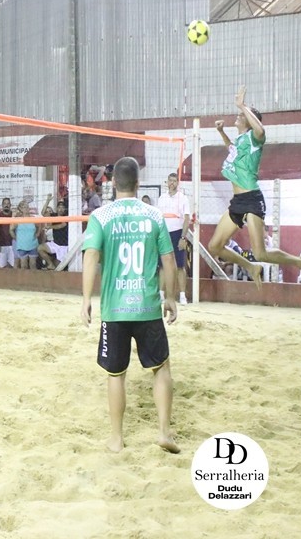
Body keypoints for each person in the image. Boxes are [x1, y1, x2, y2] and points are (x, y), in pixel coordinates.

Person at [81, 156, 180, 454]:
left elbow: (90, 256)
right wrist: (170, 297)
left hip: (114, 309)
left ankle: (116, 438)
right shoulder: (154, 215)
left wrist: (86, 299)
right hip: (147, 306)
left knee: (116, 375)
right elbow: (169, 260)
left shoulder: (100, 216)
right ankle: (164, 432)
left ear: (113, 183)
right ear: (138, 184)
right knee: (161, 368)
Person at [208, 85, 301, 287]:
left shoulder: (255, 138)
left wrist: (243, 105)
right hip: (238, 201)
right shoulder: (241, 140)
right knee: (215, 246)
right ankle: (250, 267)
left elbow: (261, 130)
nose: (238, 116)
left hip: (251, 199)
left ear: (249, 121)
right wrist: (221, 132)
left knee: (260, 253)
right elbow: (232, 149)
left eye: (241, 115)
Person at [156, 173, 191, 305]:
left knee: (180, 265)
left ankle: (182, 296)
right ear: (167, 182)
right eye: (170, 180)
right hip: (164, 233)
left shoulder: (183, 198)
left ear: (178, 183)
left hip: (177, 233)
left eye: (174, 181)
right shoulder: (162, 198)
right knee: (162, 265)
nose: (172, 183)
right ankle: (161, 294)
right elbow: (158, 218)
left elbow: (186, 219)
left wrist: (183, 237)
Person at [39, 199, 69, 270]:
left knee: (58, 268)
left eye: (62, 208)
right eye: (59, 207)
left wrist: (50, 227)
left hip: (63, 246)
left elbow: (61, 225)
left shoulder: (66, 216)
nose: (61, 209)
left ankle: (53, 265)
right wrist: (47, 201)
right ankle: (50, 264)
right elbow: (43, 213)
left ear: (65, 209)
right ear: (57, 208)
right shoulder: (54, 215)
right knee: (40, 248)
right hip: (55, 243)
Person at [10, 200, 39, 269]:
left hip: (32, 244)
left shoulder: (33, 218)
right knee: (23, 266)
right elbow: (11, 230)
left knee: (33, 265)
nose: (26, 208)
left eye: (27, 207)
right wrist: (16, 238)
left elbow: (39, 227)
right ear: (21, 209)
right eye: (24, 207)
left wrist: (37, 234)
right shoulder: (18, 220)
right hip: (22, 246)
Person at [0, 197, 15, 268]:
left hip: (13, 245)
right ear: (2, 205)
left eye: (8, 203)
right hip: (1, 245)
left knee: (14, 267)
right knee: (1, 267)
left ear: (10, 205)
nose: (6, 205)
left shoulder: (14, 215)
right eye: (5, 203)